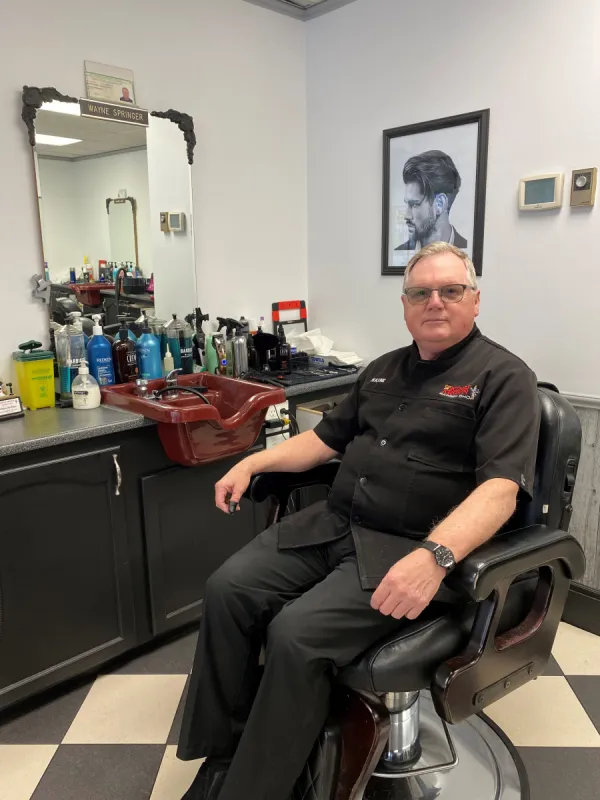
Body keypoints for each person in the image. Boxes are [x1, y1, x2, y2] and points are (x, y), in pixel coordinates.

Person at [177, 242, 541, 800]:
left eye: (451, 290)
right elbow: (323, 442)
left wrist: (435, 558)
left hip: (410, 548)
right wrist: (253, 460)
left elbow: (500, 492)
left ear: (475, 300)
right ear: (404, 303)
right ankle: (229, 749)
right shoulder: (382, 371)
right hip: (335, 524)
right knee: (226, 590)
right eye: (420, 292)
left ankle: (259, 787)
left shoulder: (503, 377)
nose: (435, 302)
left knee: (295, 635)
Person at [395, 150, 467, 251]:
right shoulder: (401, 253)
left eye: (414, 204)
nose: (407, 215)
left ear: (440, 204)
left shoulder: (464, 254)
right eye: (407, 204)